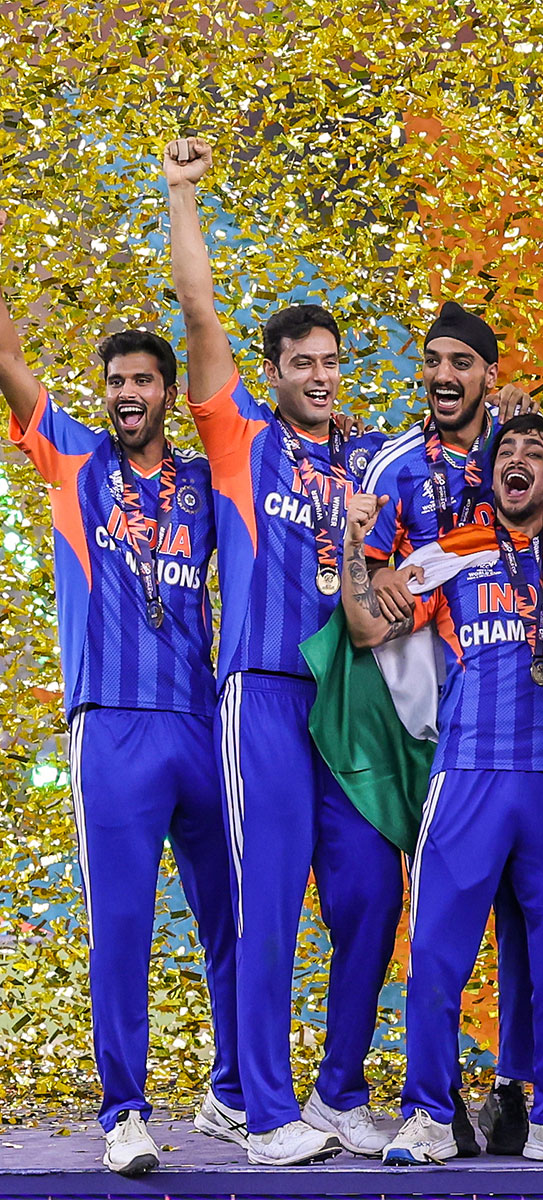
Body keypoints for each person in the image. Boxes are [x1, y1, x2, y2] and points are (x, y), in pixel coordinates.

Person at [163, 136, 402, 1166]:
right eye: (299, 363)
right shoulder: (239, 439)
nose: (317, 375)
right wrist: (183, 198)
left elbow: (392, 588)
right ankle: (262, 1111)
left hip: (349, 703)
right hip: (261, 691)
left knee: (372, 891)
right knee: (268, 904)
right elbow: (202, 315)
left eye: (330, 362)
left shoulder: (368, 458)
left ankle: (339, 1087)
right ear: (272, 375)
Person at [1, 244, 240, 1176]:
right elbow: (11, 361)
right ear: (103, 394)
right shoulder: (71, 460)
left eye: (144, 379)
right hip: (112, 725)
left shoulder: (204, 483)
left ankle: (232, 1092)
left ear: (168, 394)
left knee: (235, 918)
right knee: (125, 929)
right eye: (115, 380)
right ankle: (126, 1114)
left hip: (198, 722)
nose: (127, 392)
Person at [336, 414, 543, 1166]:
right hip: (469, 777)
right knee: (439, 954)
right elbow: (362, 629)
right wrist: (360, 546)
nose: (518, 461)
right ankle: (426, 1113)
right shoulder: (449, 552)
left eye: (536, 454)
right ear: (487, 478)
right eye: (504, 452)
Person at [356, 300, 535, 1156]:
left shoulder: (525, 454)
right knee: (440, 922)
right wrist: (380, 568)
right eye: (432, 361)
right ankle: (433, 1101)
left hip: (523, 720)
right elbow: (371, 599)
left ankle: (519, 1091)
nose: (442, 376)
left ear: (488, 374)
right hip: (433, 727)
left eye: (461, 362)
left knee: (534, 921)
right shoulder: (392, 469)